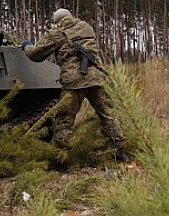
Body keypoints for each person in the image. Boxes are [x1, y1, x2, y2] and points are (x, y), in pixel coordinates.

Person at [22, 8, 131, 161]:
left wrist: (26, 46)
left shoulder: (57, 32)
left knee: (65, 120)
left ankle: (62, 158)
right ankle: (121, 151)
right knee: (108, 115)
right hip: (95, 79)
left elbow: (35, 55)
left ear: (57, 21)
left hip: (73, 82)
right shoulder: (87, 27)